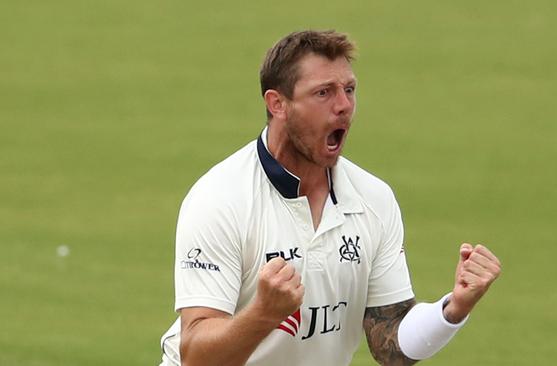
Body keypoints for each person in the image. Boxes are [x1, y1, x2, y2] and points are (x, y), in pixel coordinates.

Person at [159, 30, 501, 366]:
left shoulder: (373, 199)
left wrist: (453, 308)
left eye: (349, 90)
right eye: (323, 93)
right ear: (277, 104)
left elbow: (390, 342)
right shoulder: (220, 199)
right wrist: (264, 314)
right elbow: (196, 357)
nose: (344, 106)